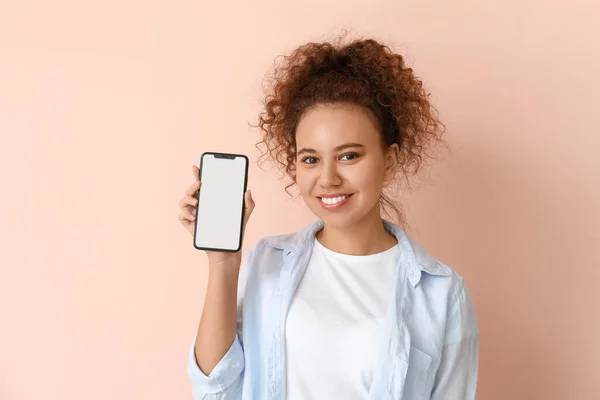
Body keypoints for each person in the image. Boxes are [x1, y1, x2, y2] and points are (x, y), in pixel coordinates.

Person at [178, 35, 479, 400]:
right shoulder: (267, 262)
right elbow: (214, 390)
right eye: (310, 159)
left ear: (390, 160)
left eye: (349, 156)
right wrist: (224, 264)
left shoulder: (441, 292)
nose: (328, 178)